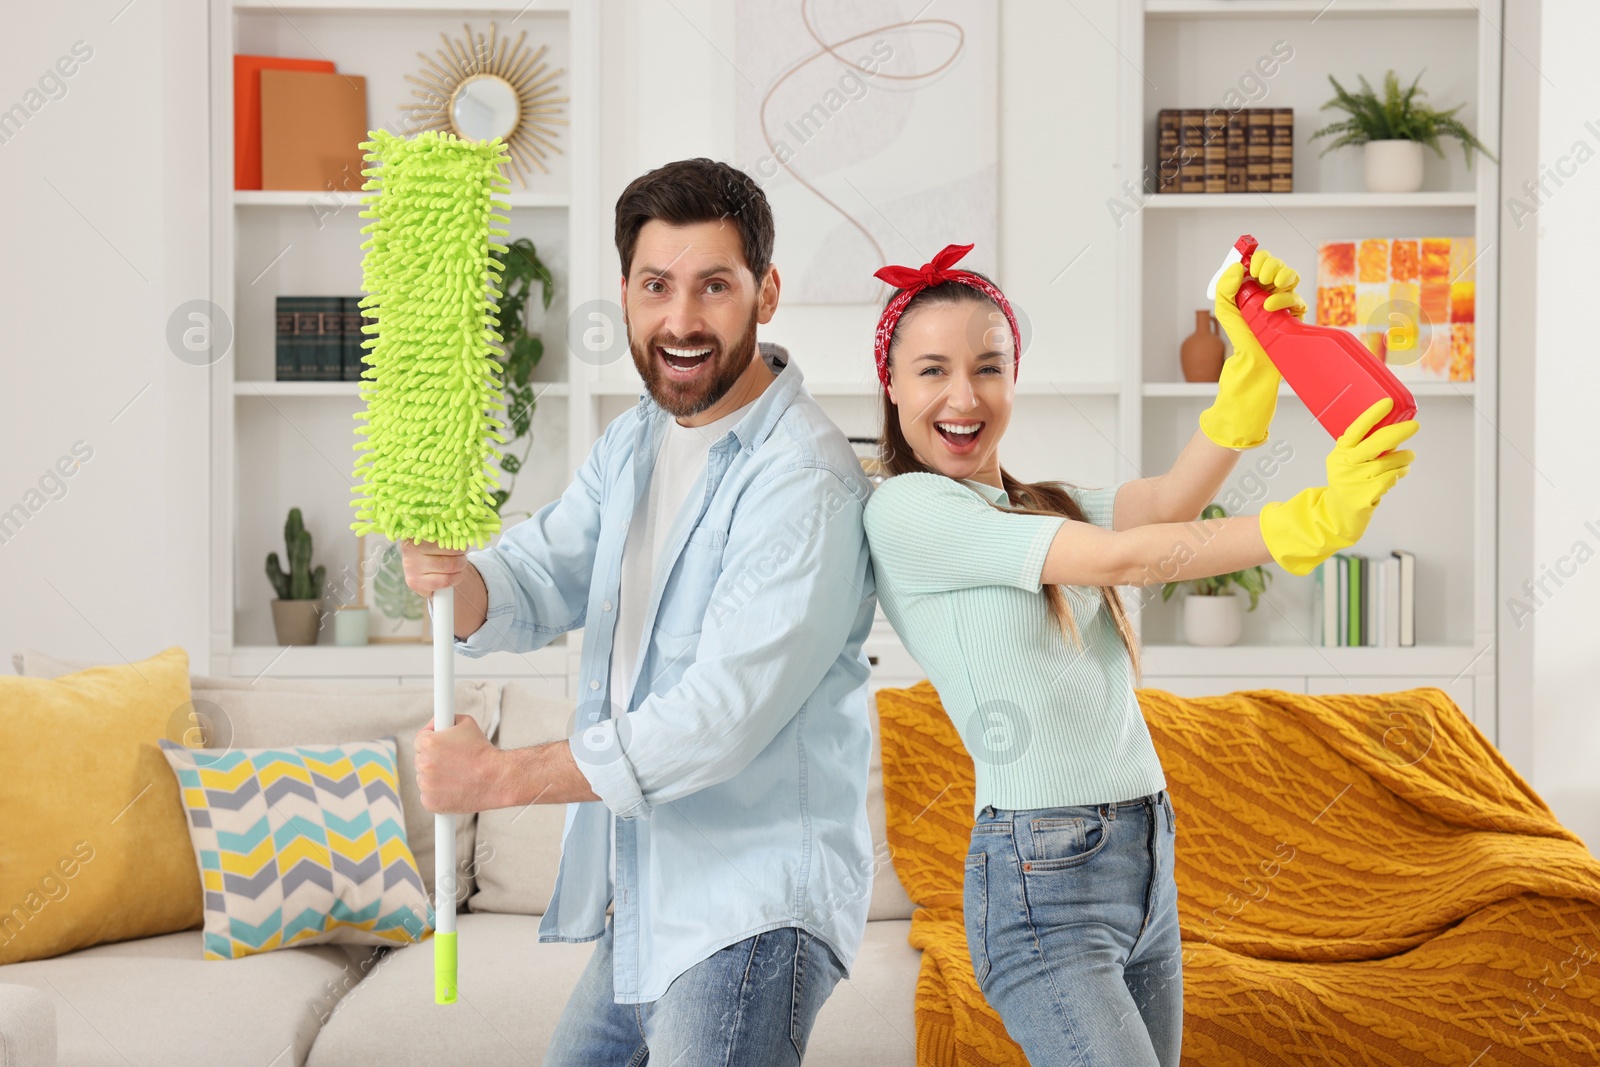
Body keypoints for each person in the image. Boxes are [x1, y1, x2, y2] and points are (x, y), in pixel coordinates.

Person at [861, 242, 1418, 1065]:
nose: (964, 395)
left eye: (989, 366)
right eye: (932, 370)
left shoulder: (1036, 503)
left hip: (1146, 851)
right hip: (1041, 876)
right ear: (892, 386)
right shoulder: (906, 510)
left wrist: (1248, 378)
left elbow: (1165, 502)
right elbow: (1122, 557)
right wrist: (1303, 524)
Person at [401, 158, 879, 1065]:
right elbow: (538, 576)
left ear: (766, 292)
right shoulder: (639, 439)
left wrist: (498, 780)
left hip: (752, 911)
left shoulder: (805, 480)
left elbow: (718, 719)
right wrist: (455, 577)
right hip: (652, 902)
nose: (681, 320)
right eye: (657, 286)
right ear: (624, 292)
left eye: (715, 287)